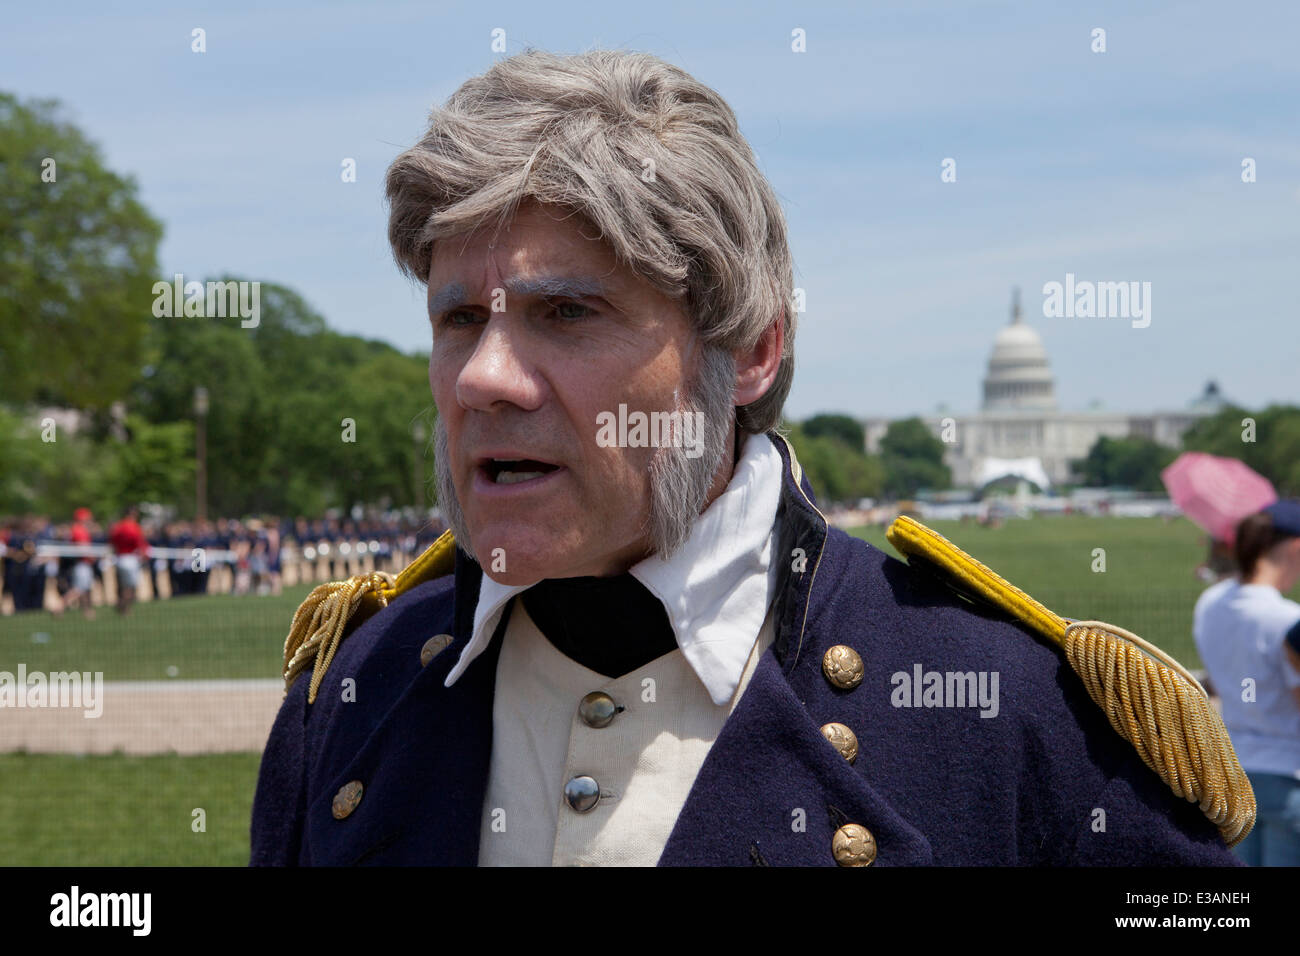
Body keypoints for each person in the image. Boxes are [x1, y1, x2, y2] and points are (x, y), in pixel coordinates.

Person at [251, 49, 1248, 867]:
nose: (484, 378)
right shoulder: (349, 693)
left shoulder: (1025, 720)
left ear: (751, 349)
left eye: (565, 312)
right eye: (459, 318)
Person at [1195, 500, 1300, 866]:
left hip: (1233, 771)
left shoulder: (1209, 603)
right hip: (1287, 773)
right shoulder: (1286, 618)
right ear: (1295, 547)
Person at [109, 506, 148, 615]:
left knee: (123, 585)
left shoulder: (118, 527)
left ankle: (122, 605)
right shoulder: (133, 526)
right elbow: (139, 542)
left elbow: (112, 541)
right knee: (130, 587)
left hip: (119, 558)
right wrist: (144, 553)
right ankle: (124, 607)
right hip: (130, 559)